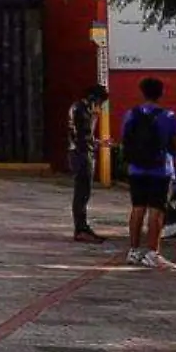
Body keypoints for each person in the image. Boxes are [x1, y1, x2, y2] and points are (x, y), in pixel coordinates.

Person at [120, 77, 176, 269]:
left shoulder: (131, 114)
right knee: (156, 210)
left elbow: (125, 139)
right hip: (160, 169)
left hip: (136, 169)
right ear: (161, 93)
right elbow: (175, 146)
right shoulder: (169, 116)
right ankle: (153, 252)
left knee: (137, 208)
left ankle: (133, 250)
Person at [68, 84, 108, 243]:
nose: (99, 106)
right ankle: (80, 228)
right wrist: (94, 119)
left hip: (79, 152)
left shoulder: (77, 108)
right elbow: (84, 136)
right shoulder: (83, 111)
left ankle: (82, 226)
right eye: (99, 102)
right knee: (82, 192)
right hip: (82, 154)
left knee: (83, 192)